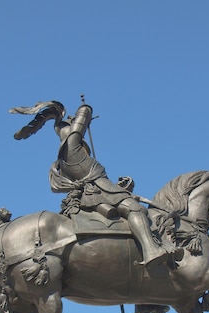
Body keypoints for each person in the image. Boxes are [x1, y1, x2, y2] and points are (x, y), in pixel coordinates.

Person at [49, 103, 171, 266]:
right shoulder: (73, 151)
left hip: (99, 191)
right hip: (99, 191)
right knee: (136, 209)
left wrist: (120, 187)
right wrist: (85, 111)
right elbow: (79, 126)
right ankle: (151, 249)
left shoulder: (64, 163)